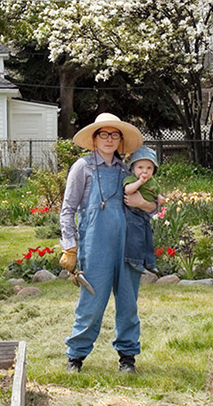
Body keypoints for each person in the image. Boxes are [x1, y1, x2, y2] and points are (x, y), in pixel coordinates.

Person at [58, 111, 146, 374]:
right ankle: (75, 357)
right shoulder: (82, 168)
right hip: (95, 245)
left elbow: (149, 205)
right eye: (103, 134)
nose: (109, 139)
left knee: (128, 303)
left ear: (120, 141)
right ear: (94, 139)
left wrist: (143, 203)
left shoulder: (127, 172)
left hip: (128, 245)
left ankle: (127, 358)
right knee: (91, 303)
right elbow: (67, 209)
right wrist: (70, 246)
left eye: (114, 135)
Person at [121, 146, 162, 276]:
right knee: (135, 237)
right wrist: (139, 182)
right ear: (133, 169)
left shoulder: (153, 183)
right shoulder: (132, 179)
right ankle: (134, 260)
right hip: (133, 213)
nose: (145, 171)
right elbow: (128, 190)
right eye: (140, 168)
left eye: (149, 168)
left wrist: (160, 198)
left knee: (148, 238)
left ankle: (150, 263)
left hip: (145, 215)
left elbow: (156, 194)